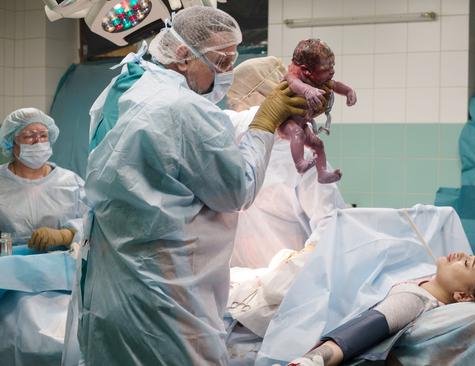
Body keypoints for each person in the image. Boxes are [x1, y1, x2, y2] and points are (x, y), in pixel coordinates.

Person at [77, 7, 311, 366]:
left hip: (113, 288)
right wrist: (265, 119)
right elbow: (238, 189)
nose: (228, 73)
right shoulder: (181, 108)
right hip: (166, 299)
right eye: (221, 61)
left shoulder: (126, 87)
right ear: (184, 54)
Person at [289, 252, 475, 366]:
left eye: (468, 263)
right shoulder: (431, 284)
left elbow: (358, 334)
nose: (459, 255)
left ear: (463, 296)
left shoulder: (413, 301)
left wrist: (309, 361)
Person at [226, 56, 347, 268]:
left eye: (236, 101)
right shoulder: (231, 146)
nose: (235, 108)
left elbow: (333, 226)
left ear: (257, 96)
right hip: (241, 285)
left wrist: (290, 272)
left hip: (291, 287)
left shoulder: (302, 157)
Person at [0, 107, 85, 251]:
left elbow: (93, 222)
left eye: (43, 135)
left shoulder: (71, 182)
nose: (38, 141)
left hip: (60, 267)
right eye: (29, 136)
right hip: (9, 269)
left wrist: (65, 235)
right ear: (11, 142)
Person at [279, 38, 357, 184]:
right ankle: (300, 164)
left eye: (332, 66)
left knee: (318, 145)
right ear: (306, 70)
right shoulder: (292, 77)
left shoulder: (320, 80)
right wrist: (307, 90)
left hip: (302, 122)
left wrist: (348, 91)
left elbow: (336, 85)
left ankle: (322, 174)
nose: (332, 71)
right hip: (286, 124)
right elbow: (295, 85)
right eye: (326, 69)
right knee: (297, 133)